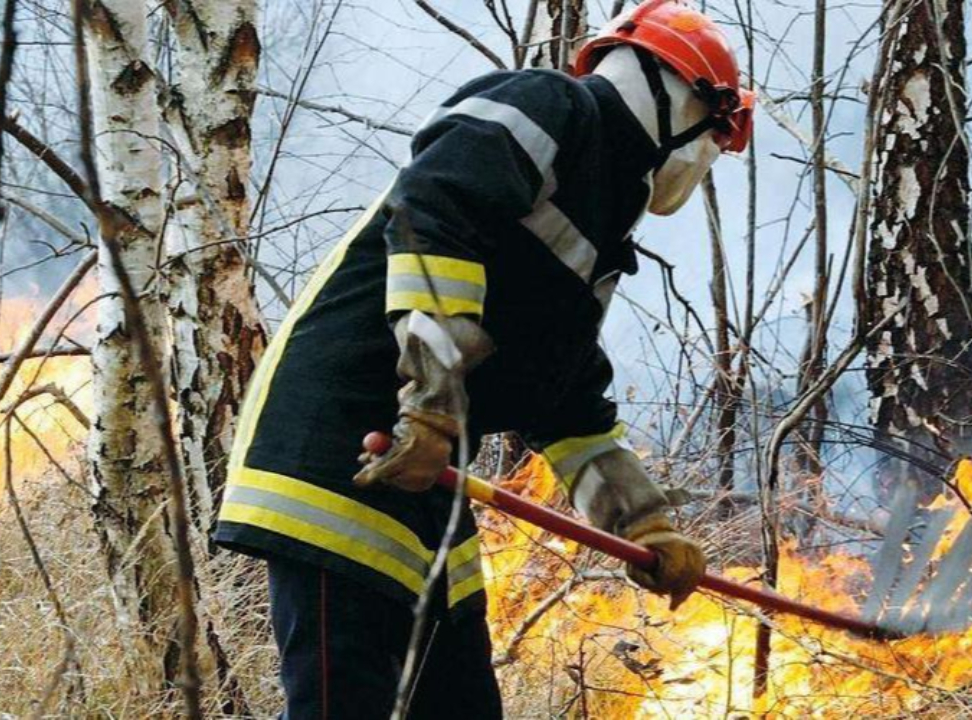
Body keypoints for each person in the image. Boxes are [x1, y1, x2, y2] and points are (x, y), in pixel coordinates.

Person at [213, 1, 754, 716]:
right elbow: (436, 211)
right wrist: (432, 401)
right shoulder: (547, 104)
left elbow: (560, 396)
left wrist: (644, 525)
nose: (707, 155)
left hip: (428, 479)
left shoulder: (602, 213)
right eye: (714, 130)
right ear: (675, 93)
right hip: (343, 454)